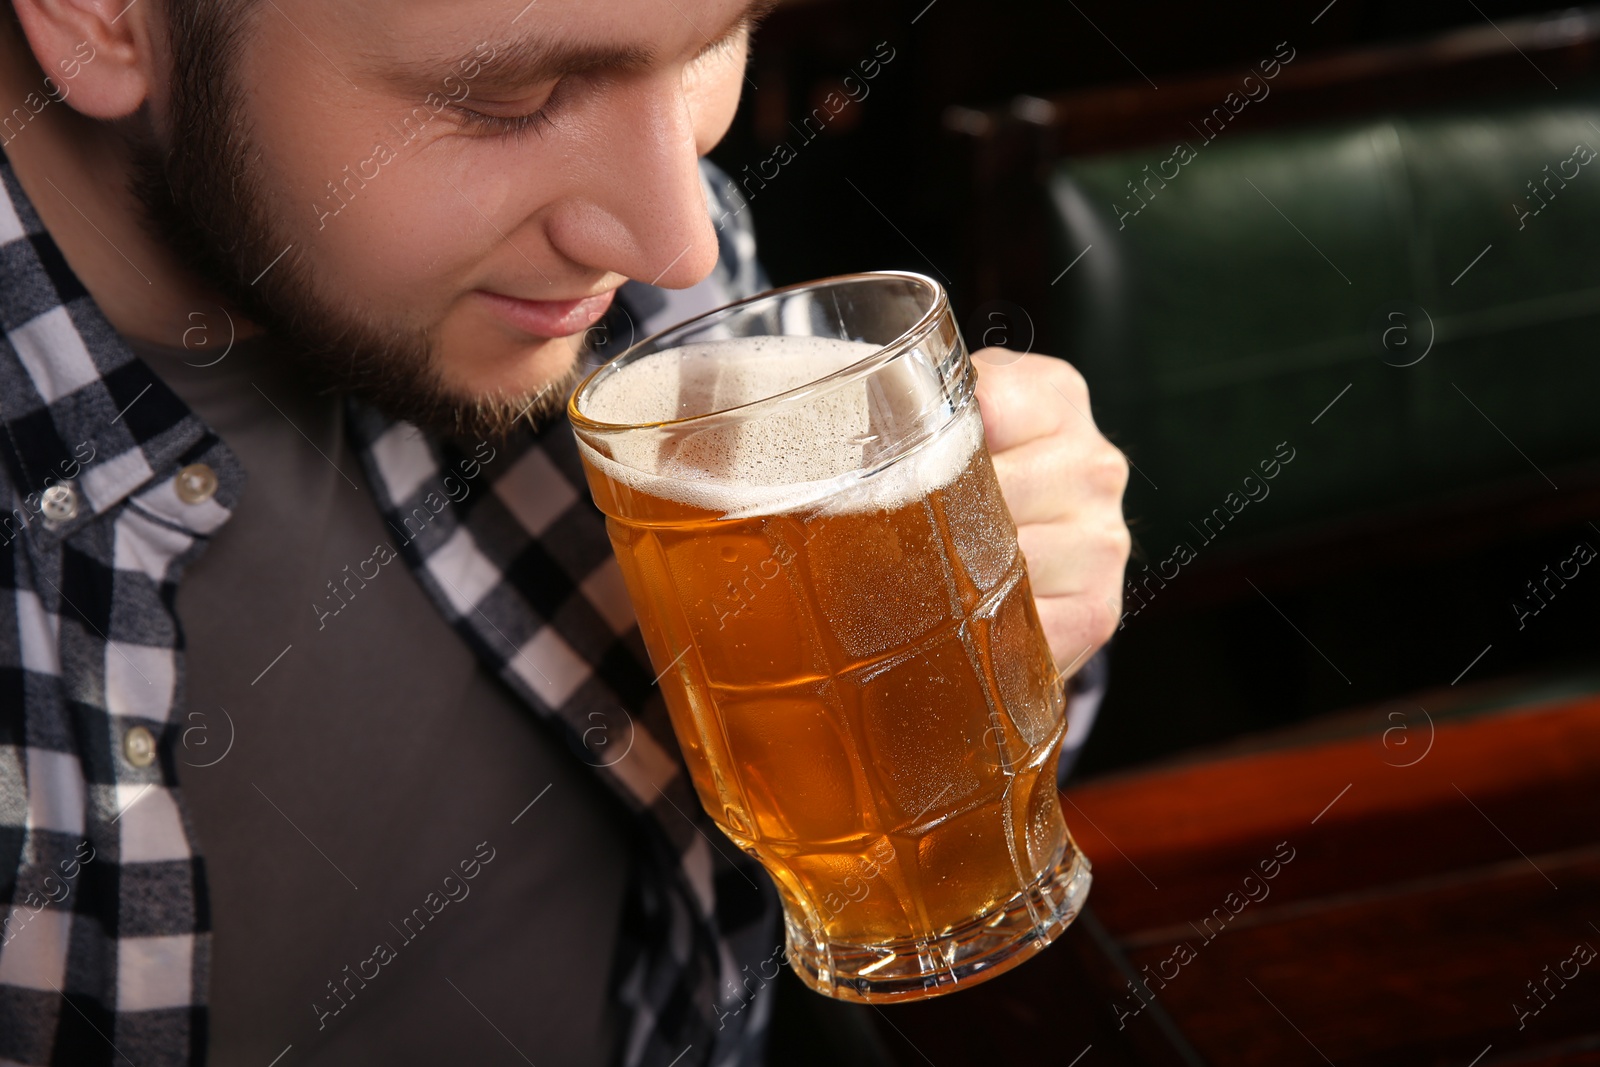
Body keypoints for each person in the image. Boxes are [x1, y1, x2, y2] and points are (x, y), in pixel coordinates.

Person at [0, 0, 1131, 1062]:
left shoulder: (606, 272)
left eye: (709, 43)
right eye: (511, 97)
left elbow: (869, 845)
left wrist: (1015, 595)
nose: (675, 239)